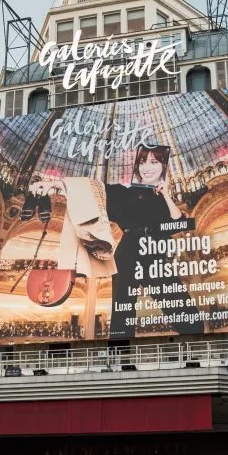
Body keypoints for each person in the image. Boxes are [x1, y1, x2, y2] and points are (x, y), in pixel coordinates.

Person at [28, 144, 206, 339]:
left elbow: (179, 223)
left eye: (154, 162)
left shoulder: (165, 199)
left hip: (154, 252)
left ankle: (195, 344)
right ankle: (120, 357)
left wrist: (166, 195)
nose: (147, 167)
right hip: (129, 250)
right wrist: (57, 185)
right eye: (142, 162)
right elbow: (94, 188)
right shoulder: (124, 192)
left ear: (163, 166)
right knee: (122, 310)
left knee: (184, 311)